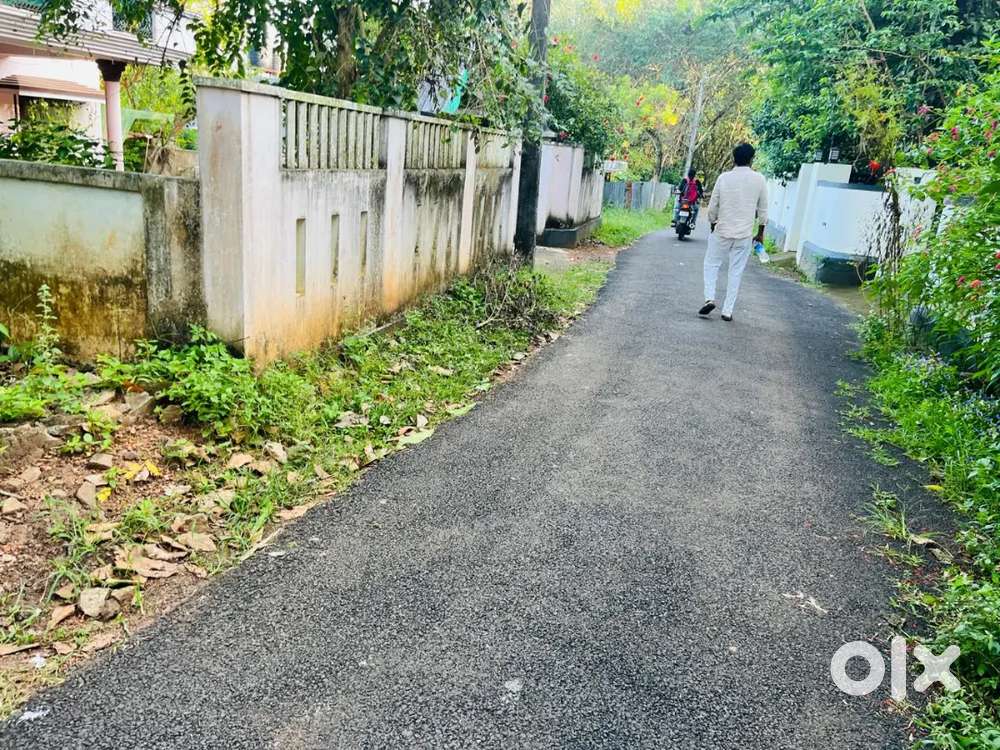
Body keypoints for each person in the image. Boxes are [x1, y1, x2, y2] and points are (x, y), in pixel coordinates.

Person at [698, 143, 767, 322]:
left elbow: (713, 206)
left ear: (733, 159)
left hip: (722, 230)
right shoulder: (759, 180)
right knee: (736, 272)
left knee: (711, 264)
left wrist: (713, 222)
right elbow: (763, 210)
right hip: (744, 234)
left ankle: (709, 298)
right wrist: (760, 233)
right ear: (751, 159)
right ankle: (727, 311)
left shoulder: (724, 178)